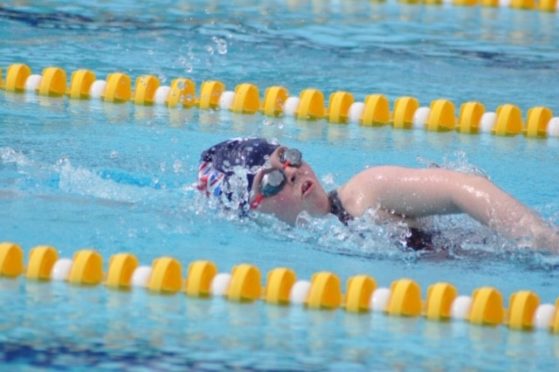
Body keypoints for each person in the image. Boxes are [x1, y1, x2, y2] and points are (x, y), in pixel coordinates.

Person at [197, 137, 559, 252]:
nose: (292, 173)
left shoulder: (366, 192)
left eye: (288, 158)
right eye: (272, 179)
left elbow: (464, 189)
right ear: (252, 207)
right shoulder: (299, 246)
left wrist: (543, 238)